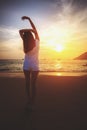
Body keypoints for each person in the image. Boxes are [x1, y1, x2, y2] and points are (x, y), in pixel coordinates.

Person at [19, 16, 40, 106]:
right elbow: (35, 30)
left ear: (25, 37)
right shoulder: (37, 41)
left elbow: (20, 31)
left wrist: (27, 31)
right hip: (35, 65)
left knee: (27, 83)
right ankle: (33, 100)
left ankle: (28, 99)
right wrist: (29, 19)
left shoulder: (25, 41)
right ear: (32, 35)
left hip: (26, 65)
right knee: (33, 84)